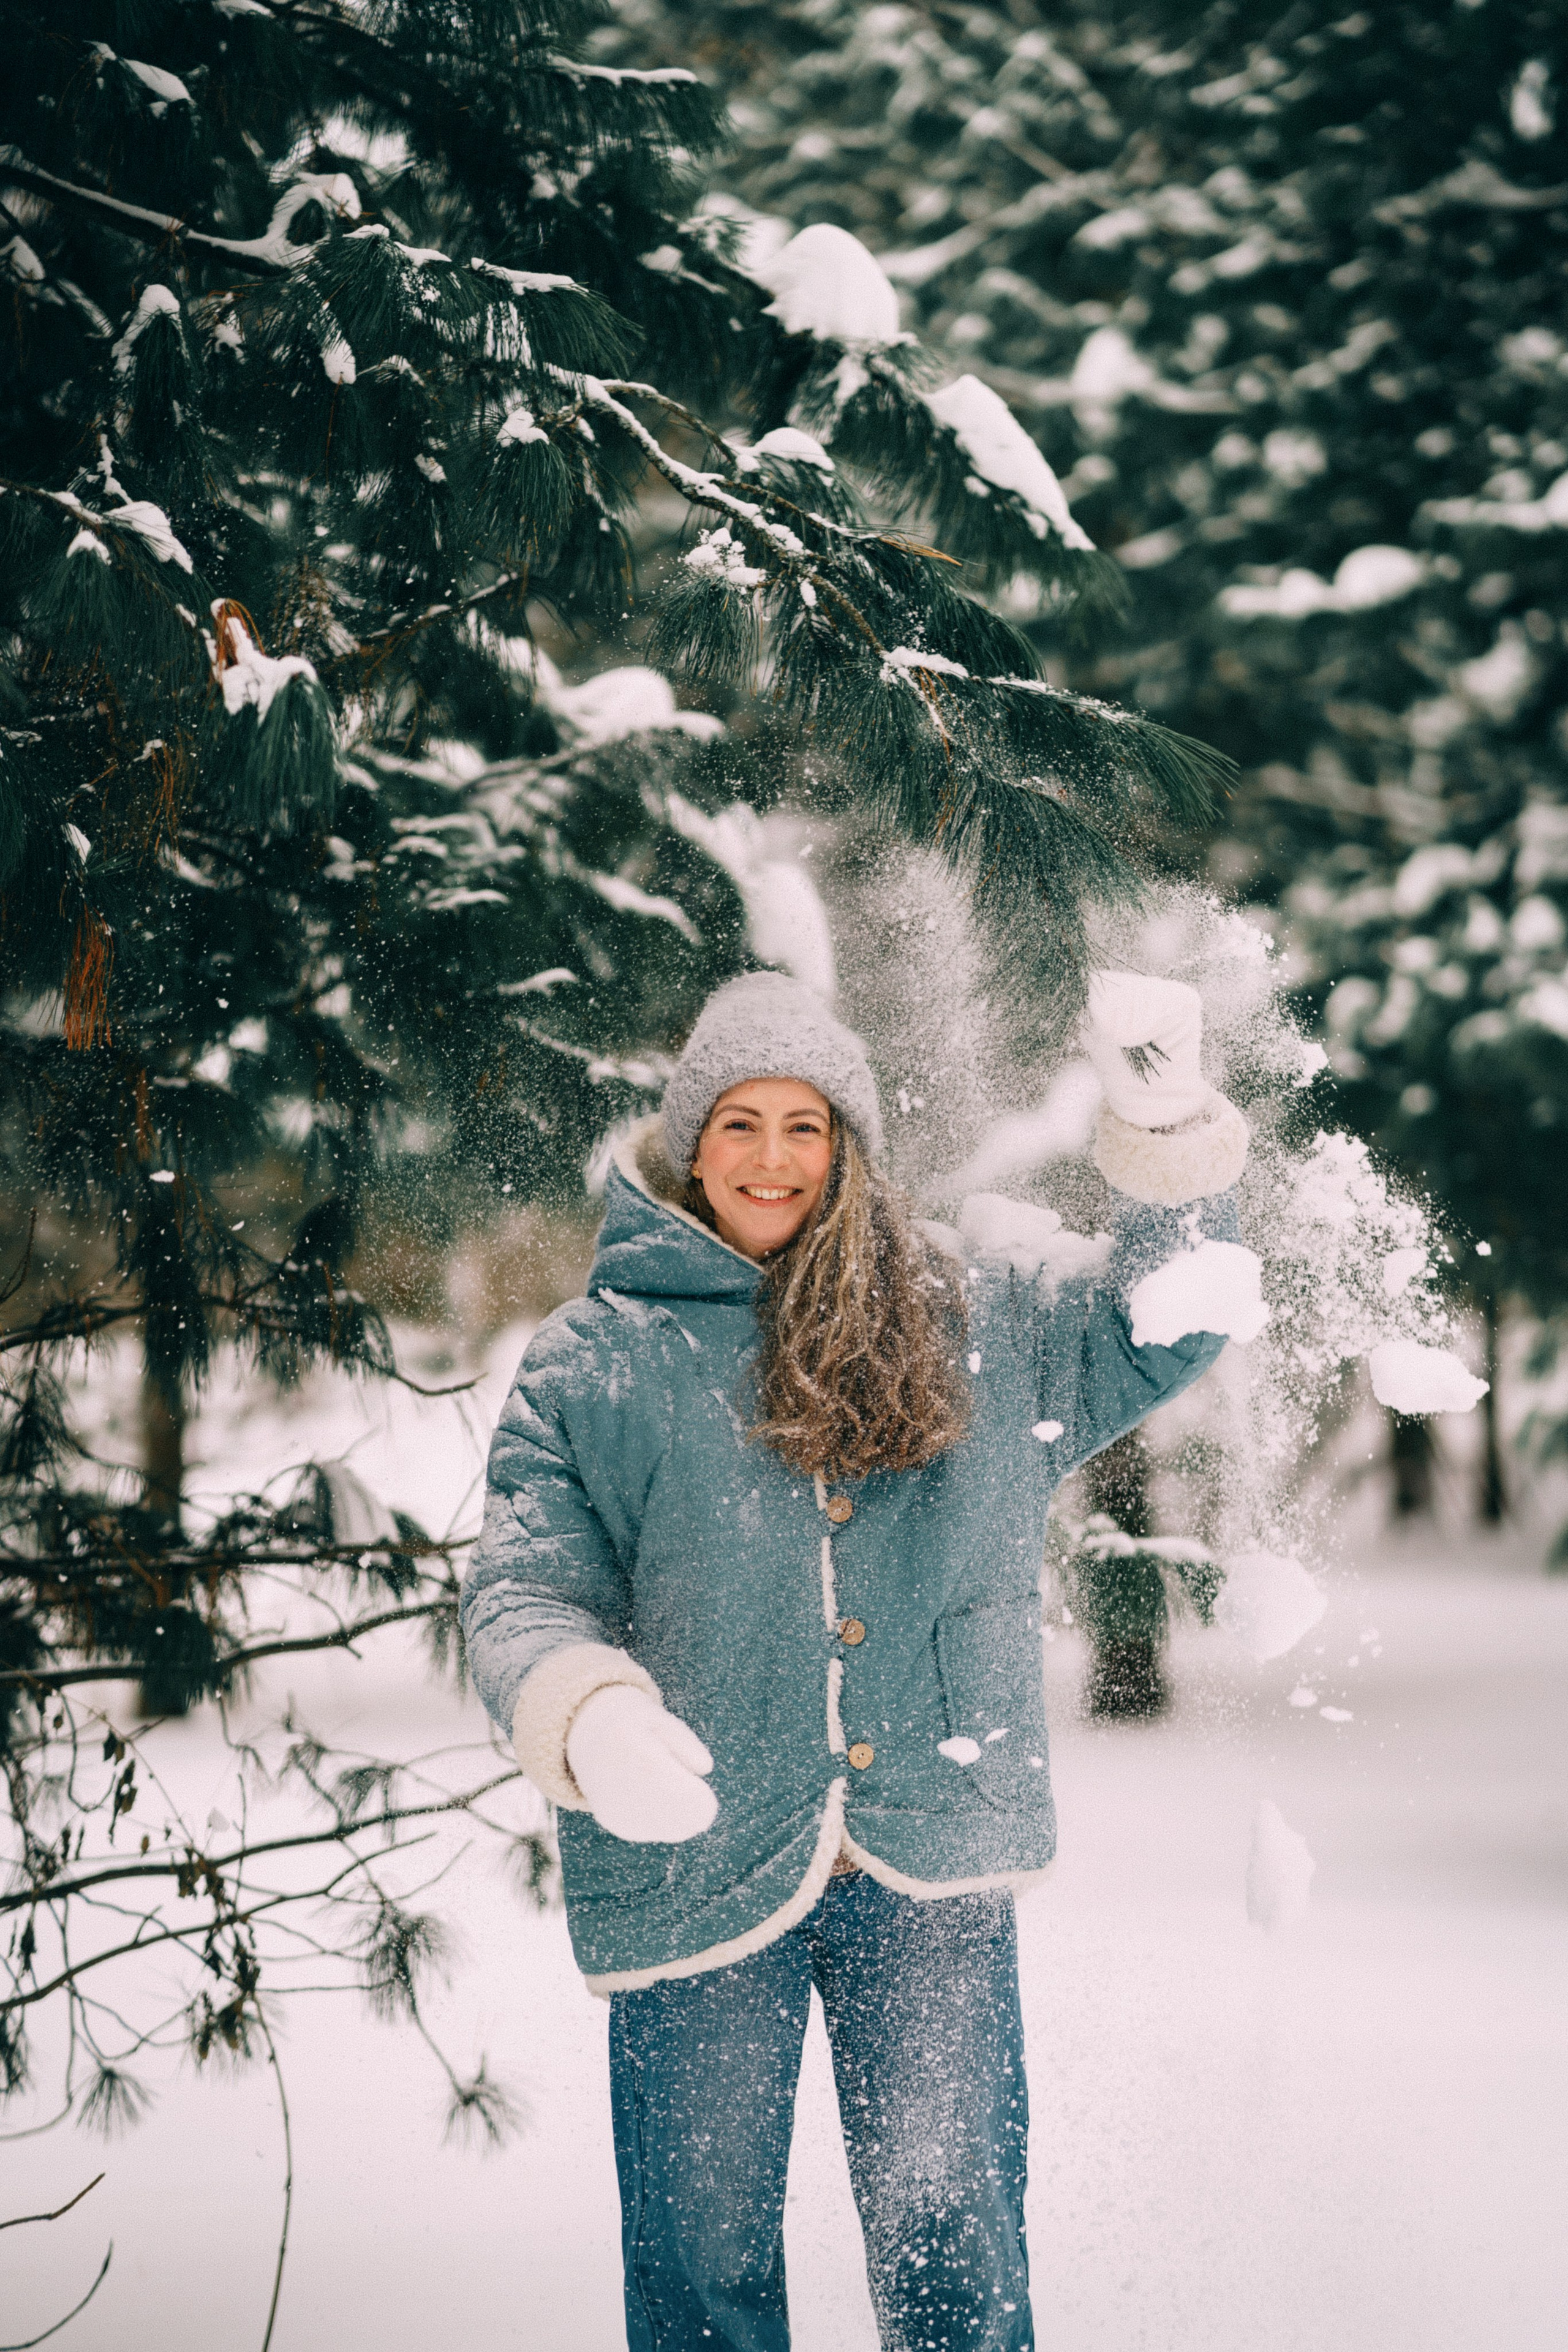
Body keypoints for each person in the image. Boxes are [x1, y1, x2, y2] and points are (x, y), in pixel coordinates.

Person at [461, 967, 1250, 2352]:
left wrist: (1165, 1119)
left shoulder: (970, 1311)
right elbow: (525, 1589)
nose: (772, 1158)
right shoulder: (591, 1361)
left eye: (805, 1127)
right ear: (686, 1145)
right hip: (692, 1865)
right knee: (701, 2272)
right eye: (739, 1125)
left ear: (850, 1147)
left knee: (952, 2242)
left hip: (925, 1854)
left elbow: (1165, 1322)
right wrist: (580, 1714)